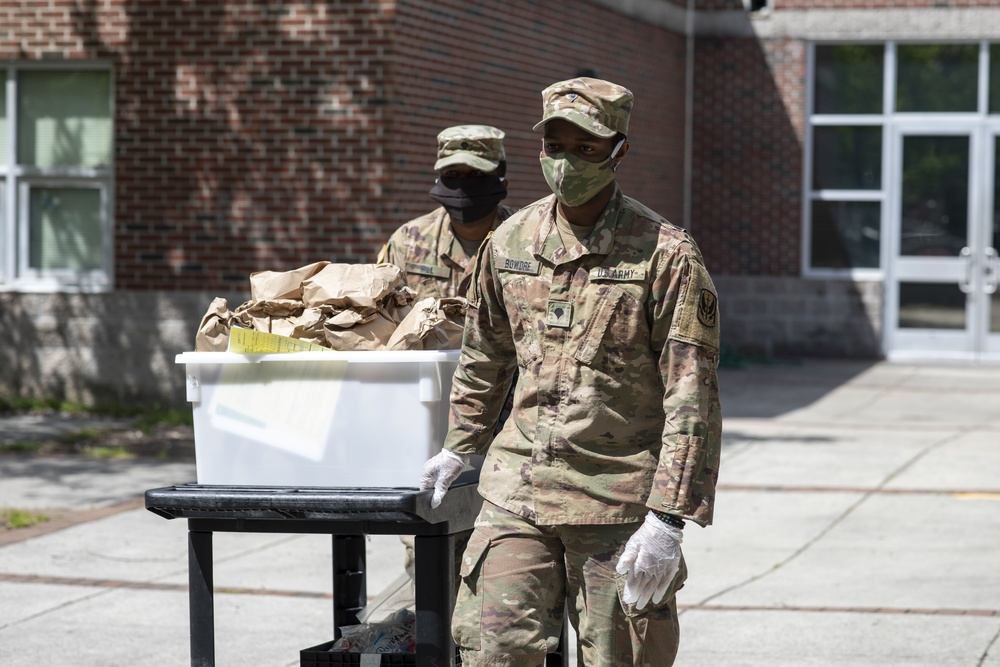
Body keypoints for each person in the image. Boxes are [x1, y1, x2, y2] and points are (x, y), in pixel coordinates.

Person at [419, 77, 722, 666]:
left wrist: (668, 518)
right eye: (556, 146)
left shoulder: (664, 254)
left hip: (616, 503)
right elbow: (485, 355)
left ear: (618, 151)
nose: (567, 162)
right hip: (517, 490)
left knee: (622, 659)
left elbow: (693, 394)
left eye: (586, 148)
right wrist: (460, 446)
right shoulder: (509, 241)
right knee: (494, 651)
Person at [377, 124, 517, 300]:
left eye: (476, 173)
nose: (463, 186)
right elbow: (383, 315)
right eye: (452, 174)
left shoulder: (527, 240)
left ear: (502, 183)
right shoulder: (408, 241)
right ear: (439, 181)